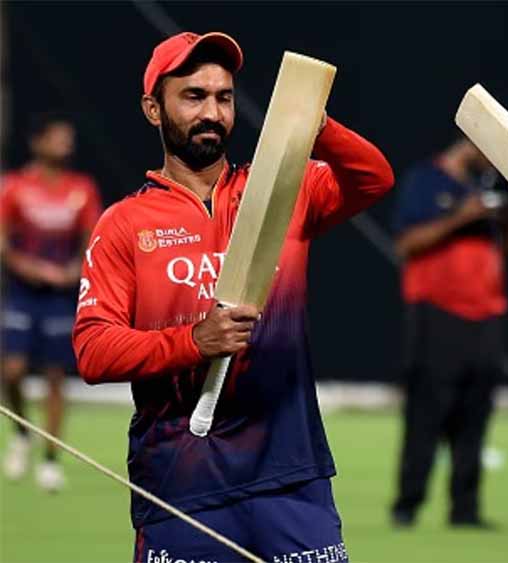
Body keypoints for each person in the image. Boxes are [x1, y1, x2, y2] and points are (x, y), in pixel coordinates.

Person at [71, 32, 393, 560]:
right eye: (193, 96)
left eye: (223, 97)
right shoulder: (125, 224)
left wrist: (319, 127)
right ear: (153, 109)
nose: (212, 113)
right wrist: (193, 341)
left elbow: (373, 179)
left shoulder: (282, 189)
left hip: (291, 477)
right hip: (182, 484)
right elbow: (94, 351)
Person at [389, 137, 508, 529]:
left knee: (475, 414)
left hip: (486, 312)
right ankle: (407, 505)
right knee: (427, 411)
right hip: (437, 313)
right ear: (473, 142)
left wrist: (506, 218)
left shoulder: (487, 185)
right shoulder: (426, 180)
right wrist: (462, 217)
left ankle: (466, 509)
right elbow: (406, 244)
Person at [1, 114, 102, 492]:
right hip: (23, 293)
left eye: (68, 139)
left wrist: (74, 270)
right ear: (38, 142)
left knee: (55, 377)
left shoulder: (82, 187)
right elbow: (2, 242)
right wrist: (29, 268)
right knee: (12, 372)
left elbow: (92, 240)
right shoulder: (15, 187)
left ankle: (49, 460)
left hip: (61, 297)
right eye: (58, 138)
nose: (66, 145)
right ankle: (22, 433)